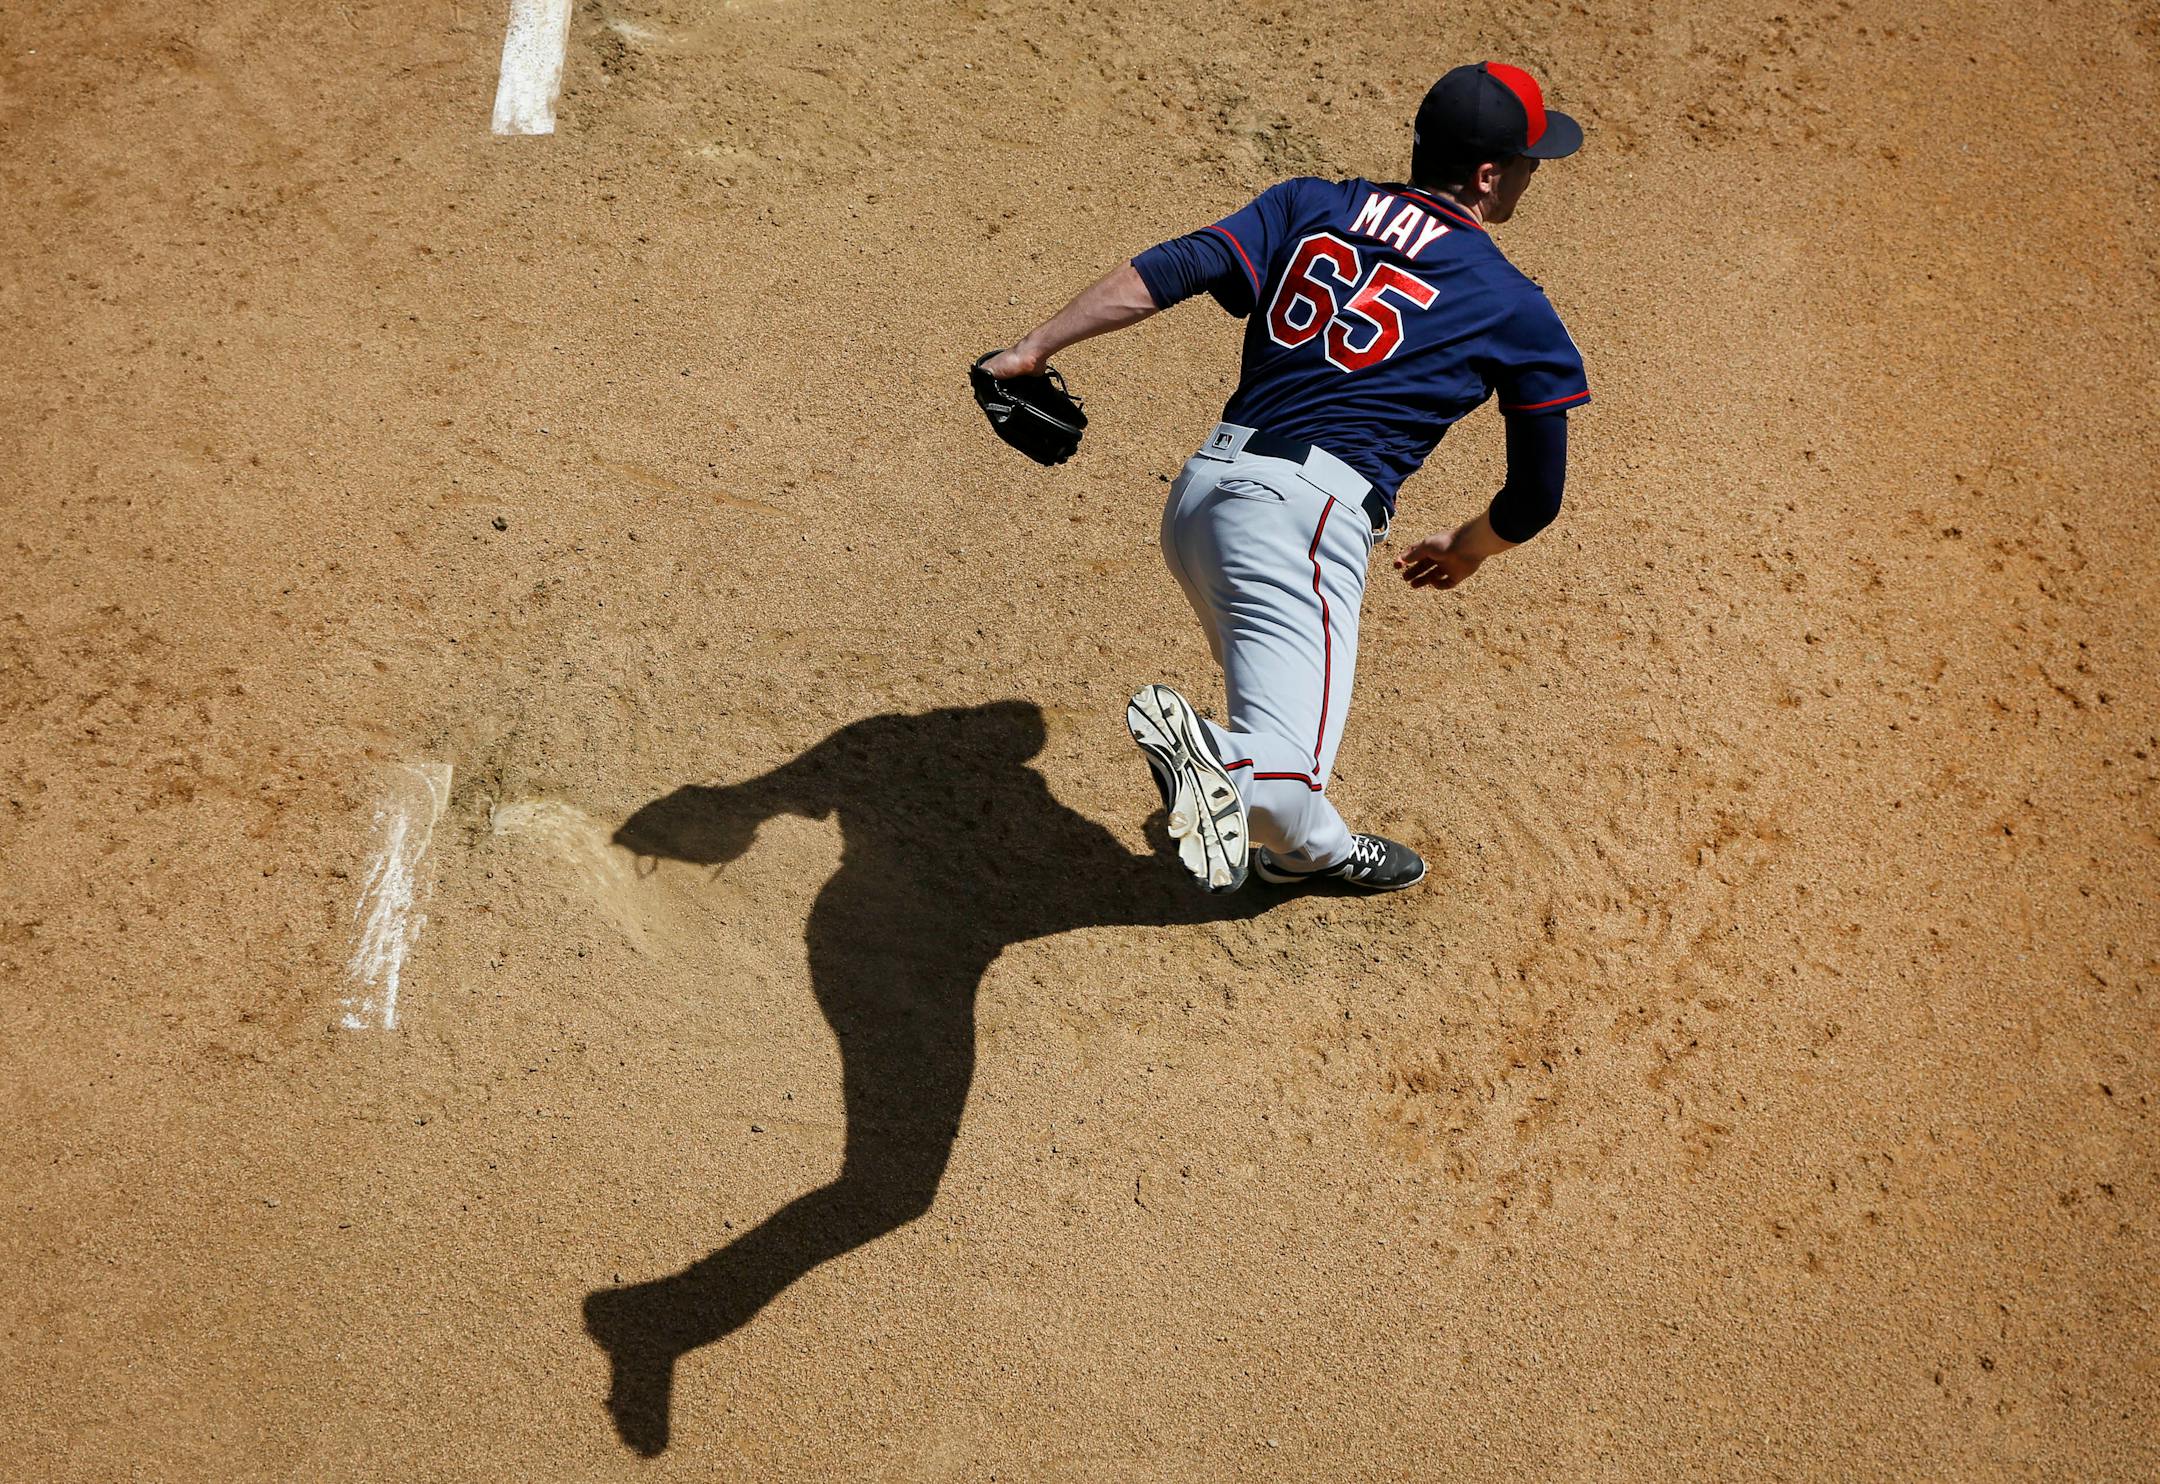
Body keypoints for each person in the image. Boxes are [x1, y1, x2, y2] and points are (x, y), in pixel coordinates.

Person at [984, 62, 1590, 894]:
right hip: (1300, 527)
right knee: (1277, 775)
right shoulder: (1514, 303)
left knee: (1290, 780)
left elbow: (1178, 266)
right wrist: (1470, 546)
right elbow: (1536, 497)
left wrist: (1035, 348)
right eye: (1528, 161)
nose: (1531, 174)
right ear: (1488, 175)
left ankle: (1309, 855)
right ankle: (1220, 763)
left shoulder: (1313, 203)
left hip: (1202, 499)